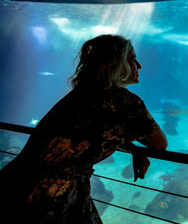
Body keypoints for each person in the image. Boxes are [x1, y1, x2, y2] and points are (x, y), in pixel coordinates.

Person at [0, 34, 167, 223]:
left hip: (15, 184)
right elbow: (160, 144)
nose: (139, 65)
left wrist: (132, 147)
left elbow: (93, 134)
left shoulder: (81, 94)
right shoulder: (124, 101)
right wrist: (134, 145)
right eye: (132, 59)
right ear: (114, 64)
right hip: (50, 199)